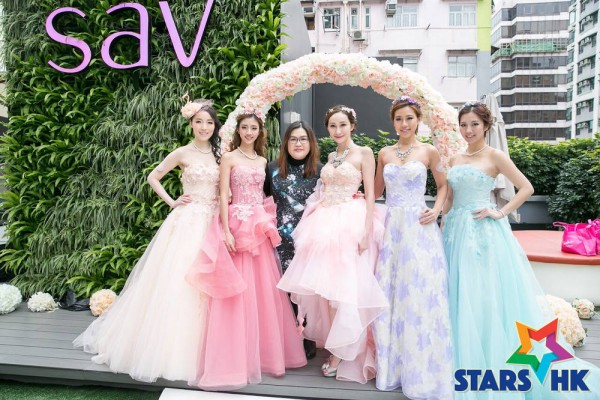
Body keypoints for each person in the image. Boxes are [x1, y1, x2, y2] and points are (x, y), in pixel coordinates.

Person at [444, 101, 600, 399]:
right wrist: (442, 225)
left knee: (485, 294)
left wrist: (500, 212)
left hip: (483, 234)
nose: (468, 130)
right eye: (463, 125)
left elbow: (526, 187)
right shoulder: (454, 158)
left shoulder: (495, 156)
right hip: (455, 233)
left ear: (485, 126)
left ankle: (491, 361)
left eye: (474, 124)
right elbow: (450, 198)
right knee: (458, 292)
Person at [73, 99, 222, 383]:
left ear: (215, 126)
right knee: (179, 281)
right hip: (188, 222)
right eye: (199, 122)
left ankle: (210, 347)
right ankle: (173, 350)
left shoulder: (220, 154)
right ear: (191, 124)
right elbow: (153, 177)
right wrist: (172, 201)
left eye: (209, 122)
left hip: (212, 223)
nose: (204, 127)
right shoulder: (182, 152)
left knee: (209, 281)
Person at [186, 110, 307, 390]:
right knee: (236, 292)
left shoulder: (264, 161)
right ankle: (233, 356)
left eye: (253, 128)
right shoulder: (229, 158)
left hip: (258, 226)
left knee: (262, 292)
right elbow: (222, 195)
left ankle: (263, 355)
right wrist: (226, 230)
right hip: (236, 224)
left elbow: (266, 194)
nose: (249, 132)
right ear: (238, 131)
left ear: (259, 132)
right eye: (245, 128)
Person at [277, 105, 388, 383]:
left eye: (342, 125)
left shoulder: (364, 153)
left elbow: (371, 194)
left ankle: (342, 354)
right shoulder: (331, 156)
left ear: (352, 125)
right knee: (327, 290)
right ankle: (336, 346)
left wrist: (366, 230)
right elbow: (324, 189)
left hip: (350, 223)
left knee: (345, 290)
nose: (337, 131)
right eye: (332, 126)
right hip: (325, 222)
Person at [372, 96, 454, 397]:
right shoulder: (384, 153)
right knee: (391, 290)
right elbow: (376, 190)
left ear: (418, 120)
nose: (404, 124)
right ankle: (392, 367)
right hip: (392, 228)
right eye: (399, 119)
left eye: (409, 118)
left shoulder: (429, 151)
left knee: (420, 290)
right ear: (393, 122)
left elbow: (443, 185)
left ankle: (422, 366)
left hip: (419, 227)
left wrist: (437, 210)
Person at [263, 120, 322, 360]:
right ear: (286, 143)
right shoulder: (271, 168)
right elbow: (263, 198)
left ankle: (307, 335)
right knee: (283, 288)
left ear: (311, 143)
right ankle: (285, 338)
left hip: (309, 238)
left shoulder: (321, 170)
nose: (298, 143)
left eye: (303, 139)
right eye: (293, 139)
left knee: (306, 288)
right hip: (279, 238)